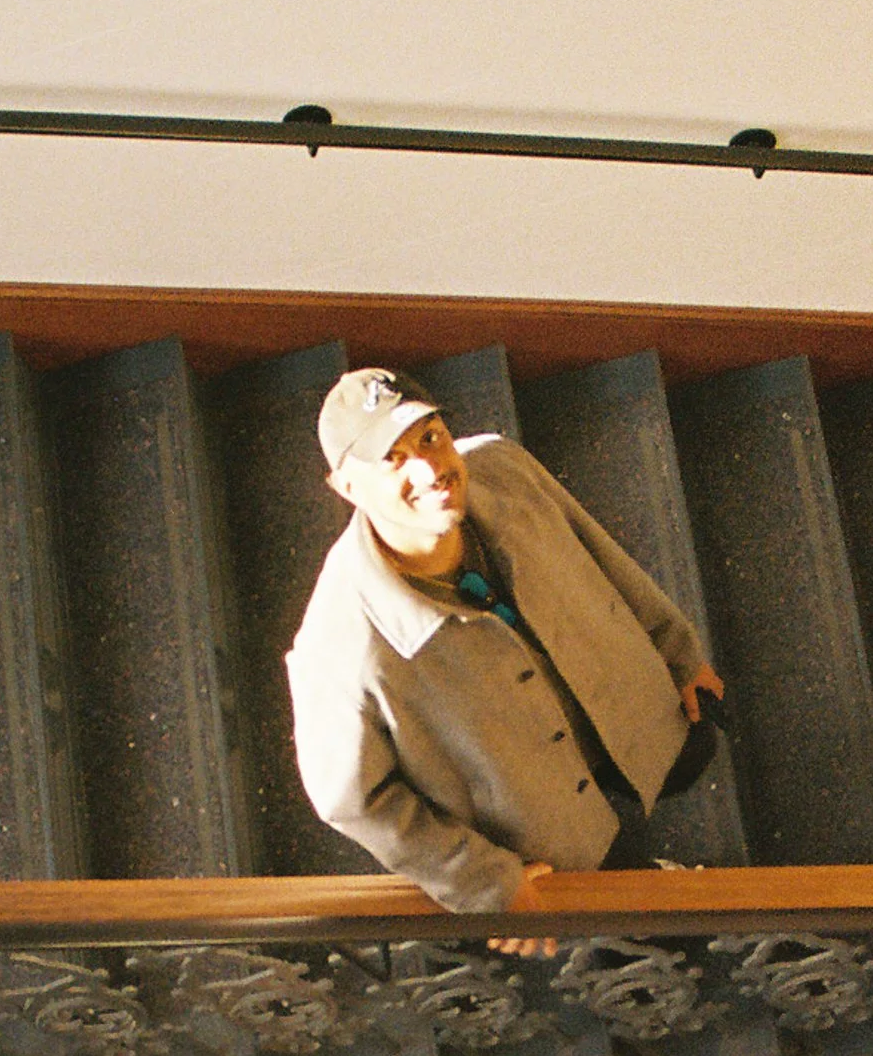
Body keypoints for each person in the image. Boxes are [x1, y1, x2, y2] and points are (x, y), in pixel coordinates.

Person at [287, 369, 725, 920]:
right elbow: (351, 800)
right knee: (618, 896)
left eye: (429, 436)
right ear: (346, 488)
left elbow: (601, 551)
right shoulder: (340, 643)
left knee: (687, 757)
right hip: (539, 805)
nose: (430, 468)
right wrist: (478, 879)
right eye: (393, 459)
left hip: (619, 705)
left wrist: (677, 652)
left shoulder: (502, 465)